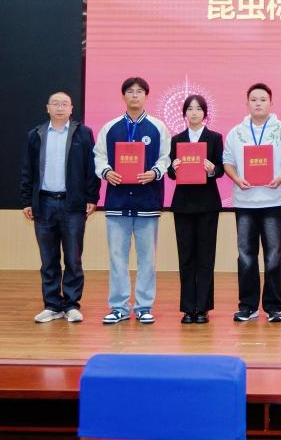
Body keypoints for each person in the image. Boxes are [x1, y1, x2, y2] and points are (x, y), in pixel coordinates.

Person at [93, 76, 171, 325]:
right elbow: (98, 156)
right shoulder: (110, 127)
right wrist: (106, 172)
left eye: (139, 91)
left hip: (147, 201)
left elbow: (166, 157)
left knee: (147, 258)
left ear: (146, 96)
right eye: (130, 91)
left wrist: (155, 172)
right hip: (117, 202)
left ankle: (144, 306)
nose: (134, 95)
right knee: (117, 257)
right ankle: (119, 307)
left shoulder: (158, 127)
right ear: (123, 96)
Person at [20, 91, 100, 323]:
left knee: (73, 258)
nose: (60, 107)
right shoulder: (36, 135)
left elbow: (91, 168)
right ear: (47, 108)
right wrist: (26, 200)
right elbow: (27, 169)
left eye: (64, 104)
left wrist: (91, 197)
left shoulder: (83, 133)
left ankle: (72, 305)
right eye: (55, 104)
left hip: (72, 203)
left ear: (71, 108)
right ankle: (52, 305)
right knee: (49, 259)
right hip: (44, 203)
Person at [222, 83, 281, 323]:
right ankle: (248, 306)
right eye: (254, 99)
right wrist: (237, 179)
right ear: (247, 103)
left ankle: (274, 307)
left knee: (273, 256)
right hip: (245, 201)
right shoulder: (236, 132)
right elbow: (227, 161)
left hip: (273, 200)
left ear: (271, 103)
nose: (258, 103)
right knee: (246, 255)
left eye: (263, 99)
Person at [167, 94, 224, 324]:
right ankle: (188, 308)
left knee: (206, 257)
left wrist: (212, 170)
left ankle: (203, 308)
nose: (194, 113)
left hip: (208, 204)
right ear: (184, 113)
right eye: (190, 109)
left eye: (198, 109)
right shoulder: (176, 140)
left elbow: (221, 168)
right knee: (186, 257)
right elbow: (171, 173)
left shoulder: (215, 138)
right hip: (183, 204)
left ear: (205, 113)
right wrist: (173, 167)